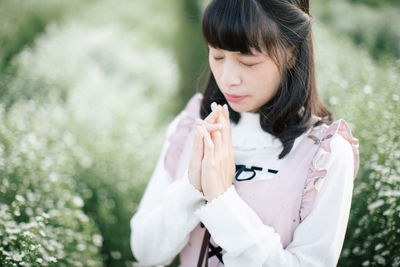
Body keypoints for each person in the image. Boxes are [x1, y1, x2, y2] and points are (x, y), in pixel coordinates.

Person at [130, 0, 360, 266]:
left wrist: (222, 200)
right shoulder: (193, 123)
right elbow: (145, 251)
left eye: (248, 62)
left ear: (292, 54)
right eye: (217, 56)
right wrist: (191, 187)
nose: (228, 78)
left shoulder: (324, 155)